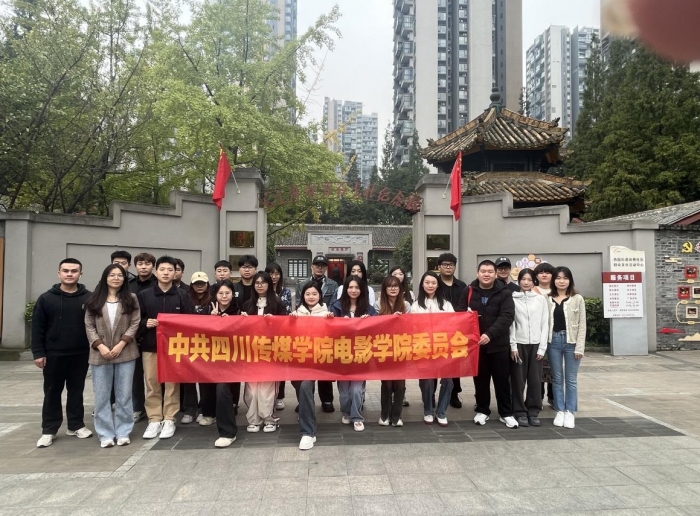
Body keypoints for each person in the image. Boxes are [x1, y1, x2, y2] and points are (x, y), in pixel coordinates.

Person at [32, 258, 93, 448]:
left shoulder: (89, 298)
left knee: (77, 391)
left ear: (80, 274)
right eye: (65, 271)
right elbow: (37, 328)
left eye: (74, 271)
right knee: (52, 392)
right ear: (59, 273)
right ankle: (49, 429)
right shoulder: (46, 298)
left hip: (80, 353)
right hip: (53, 354)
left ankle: (76, 425)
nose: (69, 274)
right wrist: (38, 353)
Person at [136, 256, 195, 440]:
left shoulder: (182, 295)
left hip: (174, 348)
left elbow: (191, 319)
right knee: (152, 383)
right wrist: (146, 323)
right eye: (162, 269)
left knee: (172, 384)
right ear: (156, 272)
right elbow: (135, 320)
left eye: (170, 270)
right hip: (151, 346)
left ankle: (169, 418)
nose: (166, 273)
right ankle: (154, 419)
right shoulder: (144, 295)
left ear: (175, 272)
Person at [84, 264, 140, 448]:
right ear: (105, 277)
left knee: (124, 395)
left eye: (120, 275)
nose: (116, 278)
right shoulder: (94, 299)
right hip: (100, 354)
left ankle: (123, 431)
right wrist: (100, 346)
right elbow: (89, 325)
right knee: (102, 395)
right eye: (112, 275)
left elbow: (135, 323)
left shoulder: (131, 298)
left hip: (125, 352)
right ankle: (105, 433)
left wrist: (121, 344)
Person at [457, 260, 517, 428]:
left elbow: (507, 316)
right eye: (483, 271)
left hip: (499, 344)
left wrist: (490, 334)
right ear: (477, 273)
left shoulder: (504, 292)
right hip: (477, 345)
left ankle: (506, 413)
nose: (486, 274)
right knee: (481, 380)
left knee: (502, 381)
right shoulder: (469, 290)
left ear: (495, 274)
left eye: (490, 271)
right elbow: (459, 312)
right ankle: (482, 410)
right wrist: (466, 316)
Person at [240, 272, 287, 433]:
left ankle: (269, 418)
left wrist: (274, 322)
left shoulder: (278, 304)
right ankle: (254, 420)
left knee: (267, 389)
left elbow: (285, 327)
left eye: (263, 282)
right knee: (252, 390)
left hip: (271, 352)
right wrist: (242, 320)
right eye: (257, 283)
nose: (260, 285)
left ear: (269, 284)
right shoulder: (247, 305)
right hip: (252, 352)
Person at [289, 281, 334, 450]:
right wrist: (290, 322)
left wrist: (331, 322)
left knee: (305, 386)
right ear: (303, 296)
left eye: (314, 294)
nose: (311, 297)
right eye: (307, 294)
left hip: (317, 361)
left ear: (320, 295)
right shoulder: (296, 313)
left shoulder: (326, 313)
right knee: (300, 387)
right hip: (299, 360)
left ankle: (307, 432)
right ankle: (306, 411)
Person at [330, 276, 377, 432]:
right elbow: (329, 328)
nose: (353, 290)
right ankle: (346, 411)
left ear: (362, 290)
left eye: (357, 287)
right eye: (350, 287)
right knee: (344, 392)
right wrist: (336, 321)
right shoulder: (336, 306)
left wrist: (368, 321)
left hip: (361, 356)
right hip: (342, 356)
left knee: (356, 389)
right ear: (345, 289)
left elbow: (378, 329)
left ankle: (357, 416)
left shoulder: (369, 309)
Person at [411, 271, 454, 426]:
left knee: (448, 381)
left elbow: (454, 323)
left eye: (433, 283)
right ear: (422, 285)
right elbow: (413, 328)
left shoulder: (446, 304)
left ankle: (441, 412)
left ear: (438, 285)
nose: (430, 285)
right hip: (424, 349)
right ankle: (428, 410)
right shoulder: (416, 305)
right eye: (427, 282)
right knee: (427, 381)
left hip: (443, 348)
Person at [296, 255, 338, 413]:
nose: (320, 268)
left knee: (323, 367)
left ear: (326, 267)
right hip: (305, 333)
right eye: (317, 265)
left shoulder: (333, 284)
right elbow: (299, 303)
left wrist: (326, 318)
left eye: (323, 265)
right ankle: (305, 400)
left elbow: (333, 304)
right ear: (312, 266)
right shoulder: (302, 284)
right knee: (305, 369)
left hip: (323, 329)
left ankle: (327, 400)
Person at [548, 266, 586, 430]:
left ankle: (570, 411)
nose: (561, 281)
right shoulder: (547, 299)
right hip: (553, 342)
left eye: (565, 278)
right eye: (558, 278)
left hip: (572, 343)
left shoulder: (577, 299)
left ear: (570, 280)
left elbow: (582, 324)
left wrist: (580, 347)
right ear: (554, 280)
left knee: (571, 379)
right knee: (556, 378)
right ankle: (560, 410)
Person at [510, 269, 549, 428]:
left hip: (536, 344)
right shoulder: (512, 298)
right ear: (519, 281)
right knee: (518, 381)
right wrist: (513, 346)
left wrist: (542, 348)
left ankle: (533, 411)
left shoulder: (540, 299)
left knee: (535, 380)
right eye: (523, 279)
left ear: (534, 282)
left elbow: (545, 323)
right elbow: (511, 324)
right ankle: (519, 411)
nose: (526, 282)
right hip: (519, 345)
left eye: (529, 279)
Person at [375, 275, 409, 427]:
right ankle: (384, 415)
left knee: (400, 384)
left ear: (400, 288)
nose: (393, 288)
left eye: (396, 285)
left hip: (401, 348)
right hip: (384, 349)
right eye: (389, 286)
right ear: (384, 289)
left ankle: (396, 416)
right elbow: (375, 326)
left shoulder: (406, 305)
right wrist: (390, 319)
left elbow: (411, 326)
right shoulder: (378, 305)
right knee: (387, 384)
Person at [211, 280, 241, 447]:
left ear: (233, 294)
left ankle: (228, 432)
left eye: (227, 293)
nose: (224, 296)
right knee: (216, 392)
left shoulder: (240, 309)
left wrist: (235, 321)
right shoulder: (208, 310)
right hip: (211, 359)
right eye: (220, 293)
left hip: (234, 359)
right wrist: (211, 320)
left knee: (223, 389)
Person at [435, 253, 467, 409]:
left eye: (451, 264)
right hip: (436, 331)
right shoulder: (434, 283)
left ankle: (454, 394)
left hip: (456, 331)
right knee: (434, 362)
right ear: (439, 267)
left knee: (455, 363)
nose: (448, 267)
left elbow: (466, 306)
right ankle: (430, 394)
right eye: (445, 264)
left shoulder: (462, 286)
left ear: (455, 267)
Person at [185, 272, 216, 426]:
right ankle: (190, 409)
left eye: (202, 283)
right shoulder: (185, 299)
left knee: (205, 379)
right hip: (188, 343)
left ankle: (204, 408)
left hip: (206, 345)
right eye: (196, 283)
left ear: (207, 285)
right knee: (188, 378)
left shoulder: (213, 301)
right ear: (191, 285)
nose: (199, 286)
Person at [266, 262, 292, 411]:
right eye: (271, 274)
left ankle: (280, 396)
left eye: (276, 274)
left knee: (280, 365)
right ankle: (269, 396)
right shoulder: (262, 290)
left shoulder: (285, 292)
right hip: (264, 335)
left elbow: (286, 311)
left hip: (281, 334)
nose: (274, 277)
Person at [533, 262, 556, 407]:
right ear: (536, 276)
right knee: (538, 368)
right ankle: (538, 398)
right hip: (537, 335)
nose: (544, 275)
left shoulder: (558, 291)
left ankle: (553, 398)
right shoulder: (532, 291)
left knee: (554, 367)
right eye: (541, 272)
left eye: (547, 272)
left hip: (554, 335)